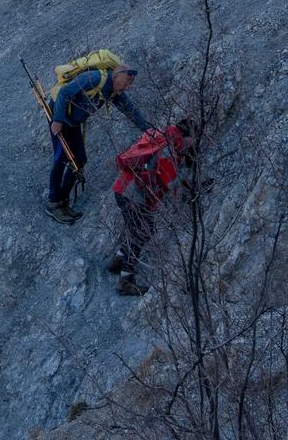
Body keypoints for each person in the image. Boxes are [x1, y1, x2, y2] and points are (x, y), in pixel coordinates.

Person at [46, 59, 151, 223]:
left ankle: (63, 201)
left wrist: (148, 130)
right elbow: (65, 93)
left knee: (80, 160)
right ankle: (53, 204)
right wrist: (57, 120)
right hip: (59, 116)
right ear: (116, 75)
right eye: (125, 83)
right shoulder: (95, 78)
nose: (126, 88)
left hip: (72, 123)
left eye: (129, 85)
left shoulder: (114, 91)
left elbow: (130, 110)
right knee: (61, 158)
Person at [106, 120, 190, 295]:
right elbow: (171, 182)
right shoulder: (171, 147)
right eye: (194, 139)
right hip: (135, 196)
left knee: (140, 229)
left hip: (123, 189)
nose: (194, 143)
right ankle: (125, 281)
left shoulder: (161, 136)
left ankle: (119, 259)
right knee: (142, 232)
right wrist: (185, 169)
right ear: (188, 136)